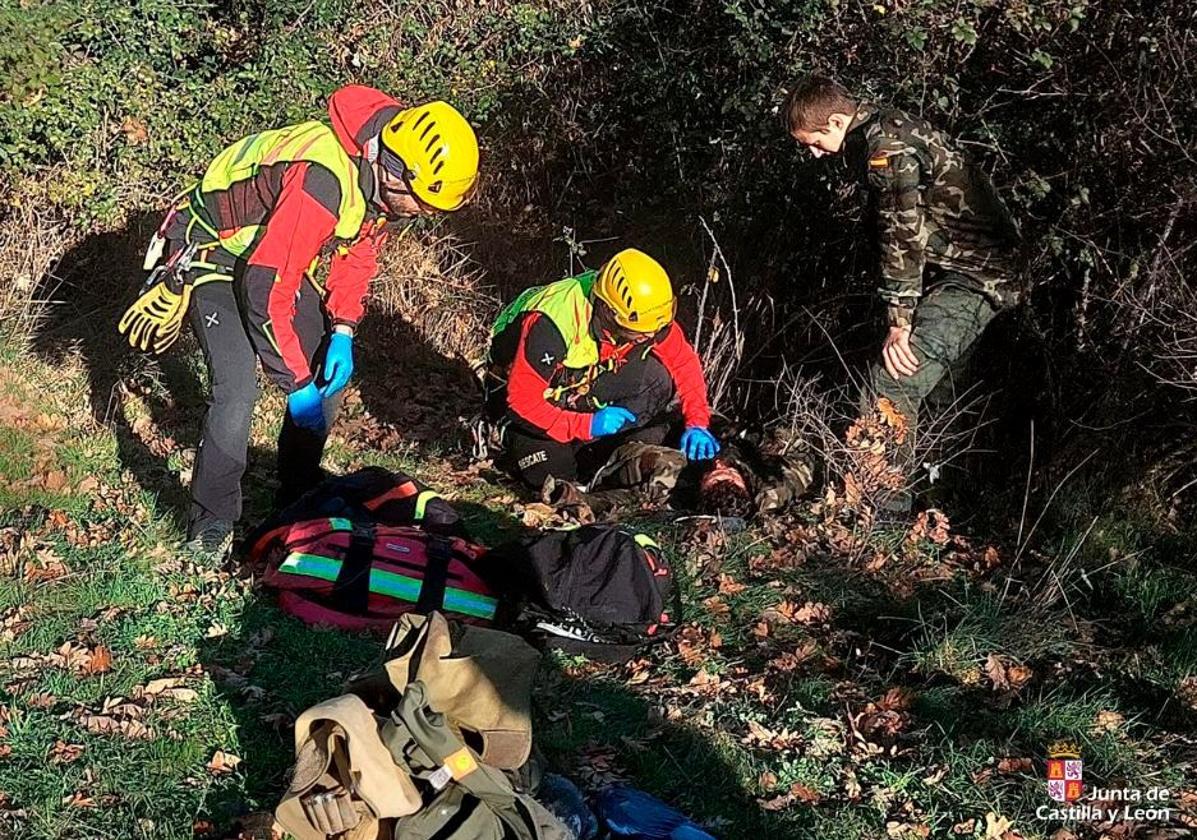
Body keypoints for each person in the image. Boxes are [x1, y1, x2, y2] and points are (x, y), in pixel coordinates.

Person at [118, 85, 480, 558]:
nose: (423, 216)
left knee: (327, 379)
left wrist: (344, 331)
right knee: (237, 390)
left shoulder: (381, 172)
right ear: (396, 174)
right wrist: (295, 384)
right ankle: (211, 522)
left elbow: (359, 255)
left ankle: (296, 499)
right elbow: (265, 292)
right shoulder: (324, 180)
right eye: (424, 206)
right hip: (214, 252)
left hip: (270, 252)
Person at [783, 76, 1022, 511]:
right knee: (943, 395)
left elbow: (901, 235)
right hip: (964, 273)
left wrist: (900, 321)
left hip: (976, 279)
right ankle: (937, 510)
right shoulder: (882, 125)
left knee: (892, 384)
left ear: (838, 120)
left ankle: (884, 516)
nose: (814, 153)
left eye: (815, 140)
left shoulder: (887, 148)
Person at [484, 248, 720, 490]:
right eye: (639, 330)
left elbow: (683, 362)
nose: (650, 335)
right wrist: (586, 426)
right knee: (558, 480)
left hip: (581, 382)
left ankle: (604, 450)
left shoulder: (646, 315)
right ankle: (502, 432)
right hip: (528, 399)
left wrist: (697, 422)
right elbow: (523, 401)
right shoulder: (552, 321)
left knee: (657, 380)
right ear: (609, 311)